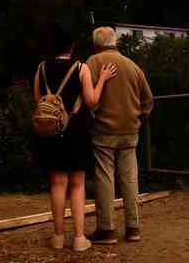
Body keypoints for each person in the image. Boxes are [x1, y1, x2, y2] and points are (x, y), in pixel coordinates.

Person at [33, 25, 117, 251]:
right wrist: (102, 80)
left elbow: (40, 102)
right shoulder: (81, 68)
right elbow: (91, 101)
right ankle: (79, 238)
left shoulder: (41, 69)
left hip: (51, 133)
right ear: (72, 46)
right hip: (76, 131)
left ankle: (58, 237)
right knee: (78, 184)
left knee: (57, 183)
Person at [86, 26, 153, 244]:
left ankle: (106, 230)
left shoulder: (93, 62)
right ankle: (133, 228)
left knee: (105, 178)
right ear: (115, 41)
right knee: (130, 178)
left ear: (96, 44)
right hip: (130, 131)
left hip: (103, 131)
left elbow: (87, 98)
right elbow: (148, 101)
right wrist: (139, 120)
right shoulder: (133, 66)